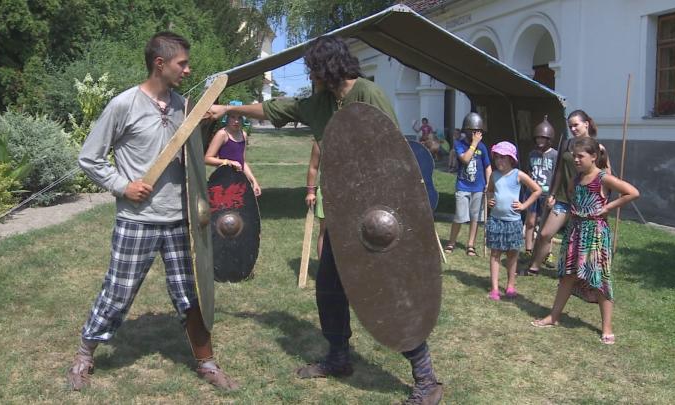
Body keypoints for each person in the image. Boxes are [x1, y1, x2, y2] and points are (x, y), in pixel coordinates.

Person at [222, 35, 443, 405]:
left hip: (376, 216)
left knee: (386, 291)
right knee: (329, 288)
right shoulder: (320, 103)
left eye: (313, 70)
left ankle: (427, 378)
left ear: (327, 69)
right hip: (342, 215)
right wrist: (231, 110)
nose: (310, 76)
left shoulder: (368, 95)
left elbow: (392, 156)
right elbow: (278, 108)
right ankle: (339, 356)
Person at [68, 32, 237, 392]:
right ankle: (85, 353)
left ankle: (206, 360)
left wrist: (200, 126)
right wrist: (122, 185)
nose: (188, 70)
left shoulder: (181, 107)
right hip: (138, 219)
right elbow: (90, 158)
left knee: (192, 293)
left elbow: (187, 157)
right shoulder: (123, 105)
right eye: (182, 64)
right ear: (160, 64)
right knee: (119, 291)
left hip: (179, 219)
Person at [531, 137, 639, 345]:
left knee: (600, 279)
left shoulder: (603, 178)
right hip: (575, 232)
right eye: (574, 156)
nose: (576, 160)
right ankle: (553, 316)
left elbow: (633, 192)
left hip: (596, 234)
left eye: (580, 156)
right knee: (567, 275)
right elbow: (573, 196)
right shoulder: (576, 179)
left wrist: (607, 208)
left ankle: (606, 327)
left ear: (594, 157)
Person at [521, 110, 611, 275]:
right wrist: (553, 194)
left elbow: (607, 175)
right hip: (563, 198)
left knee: (582, 241)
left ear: (586, 124)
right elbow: (560, 172)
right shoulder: (567, 144)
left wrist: (604, 201)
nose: (573, 129)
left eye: (576, 125)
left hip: (585, 200)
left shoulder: (598, 148)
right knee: (545, 234)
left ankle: (582, 274)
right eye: (570, 126)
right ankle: (534, 267)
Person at [485, 142, 541, 300]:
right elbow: (489, 191)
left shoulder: (518, 174)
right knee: (495, 253)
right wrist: (489, 199)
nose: (499, 161)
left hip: (513, 222)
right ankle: (495, 288)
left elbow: (537, 190)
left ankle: (510, 286)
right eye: (497, 158)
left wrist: (524, 205)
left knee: (512, 254)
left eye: (502, 158)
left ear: (511, 159)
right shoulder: (494, 175)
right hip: (496, 220)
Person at [444, 112, 492, 257]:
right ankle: (451, 242)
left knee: (475, 217)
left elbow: (487, 166)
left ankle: (470, 245)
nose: (476, 134)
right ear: (466, 131)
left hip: (478, 187)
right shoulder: (459, 144)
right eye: (473, 131)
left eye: (478, 131)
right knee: (459, 216)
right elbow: (465, 159)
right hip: (463, 186)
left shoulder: (482, 147)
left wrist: (489, 183)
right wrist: (474, 144)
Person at [521, 117, 558, 263]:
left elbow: (557, 175)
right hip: (533, 193)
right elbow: (529, 174)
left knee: (546, 226)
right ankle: (528, 249)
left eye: (543, 138)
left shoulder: (555, 155)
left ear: (549, 138)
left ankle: (547, 252)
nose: (540, 141)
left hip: (547, 194)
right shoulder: (532, 154)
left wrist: (553, 194)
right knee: (530, 222)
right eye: (538, 138)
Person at [205, 111, 262, 196]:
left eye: (239, 118)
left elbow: (242, 162)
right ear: (227, 118)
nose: (236, 121)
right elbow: (207, 159)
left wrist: (254, 181)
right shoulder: (222, 134)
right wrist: (228, 162)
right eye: (233, 117)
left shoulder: (244, 135)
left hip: (239, 181)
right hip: (224, 181)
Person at [305, 140, 326, 258]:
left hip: (350, 192)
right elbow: (313, 167)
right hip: (327, 191)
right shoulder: (320, 140)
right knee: (325, 231)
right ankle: (324, 268)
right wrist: (311, 192)